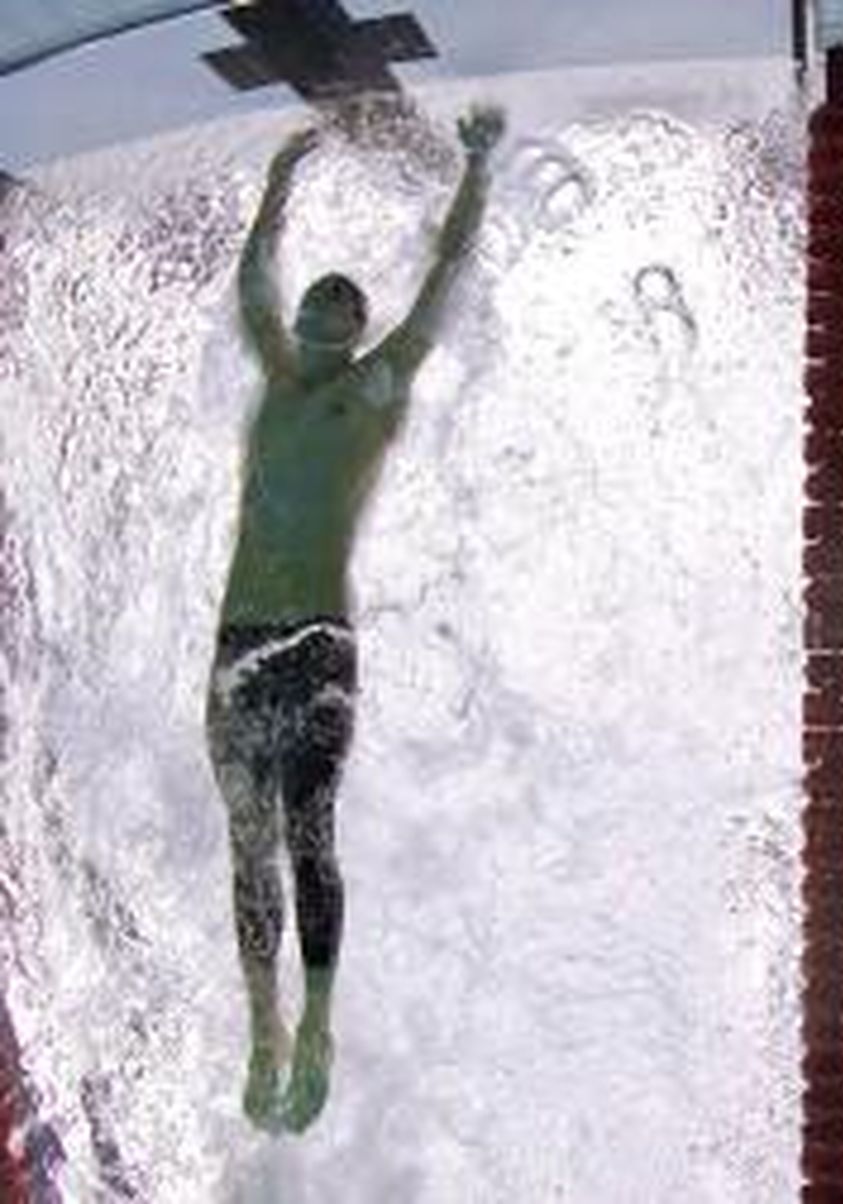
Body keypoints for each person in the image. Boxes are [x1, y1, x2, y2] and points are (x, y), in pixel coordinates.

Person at [206, 103, 504, 1133]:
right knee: (245, 843)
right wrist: (279, 184)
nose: (322, 306)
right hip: (239, 644)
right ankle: (263, 1026)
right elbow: (252, 280)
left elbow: (444, 282)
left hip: (317, 644)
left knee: (305, 830)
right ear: (304, 325)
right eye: (315, 300)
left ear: (355, 329)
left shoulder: (371, 392)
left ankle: (320, 1020)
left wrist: (477, 165)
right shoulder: (280, 382)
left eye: (341, 301)